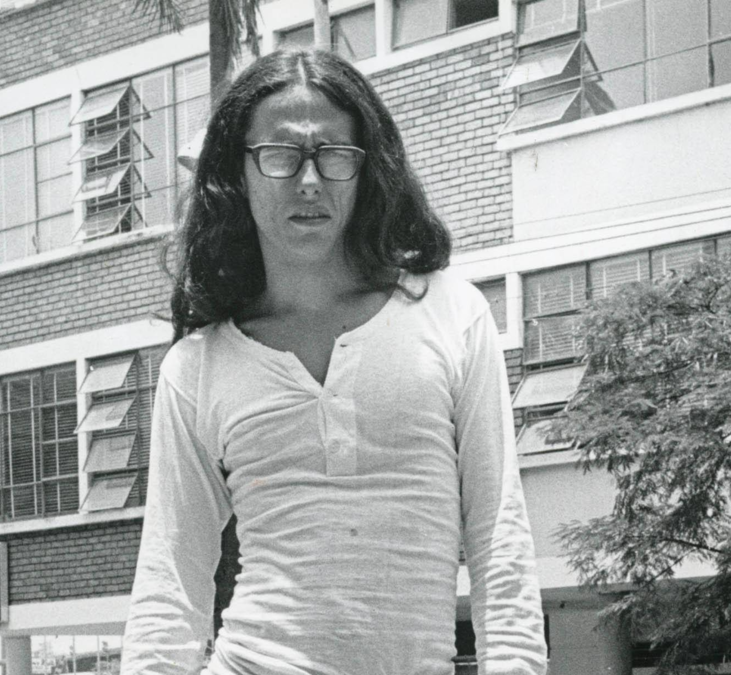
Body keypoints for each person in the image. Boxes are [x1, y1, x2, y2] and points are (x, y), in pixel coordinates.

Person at [121, 48, 547, 675]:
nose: (310, 180)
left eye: (334, 154)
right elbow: (170, 583)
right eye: (281, 155)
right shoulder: (197, 366)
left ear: (367, 168)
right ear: (237, 172)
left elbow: (498, 534)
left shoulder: (451, 313)